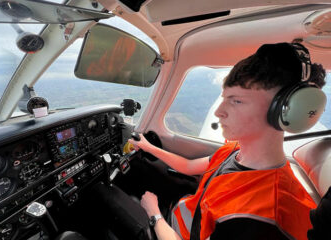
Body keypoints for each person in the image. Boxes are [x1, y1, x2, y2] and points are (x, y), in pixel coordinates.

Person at [128, 42, 326, 240]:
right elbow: (188, 166)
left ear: (283, 110)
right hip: (183, 219)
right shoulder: (235, 150)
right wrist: (149, 147)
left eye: (237, 101)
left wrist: (154, 214)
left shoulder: (258, 218)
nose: (218, 112)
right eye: (225, 97)